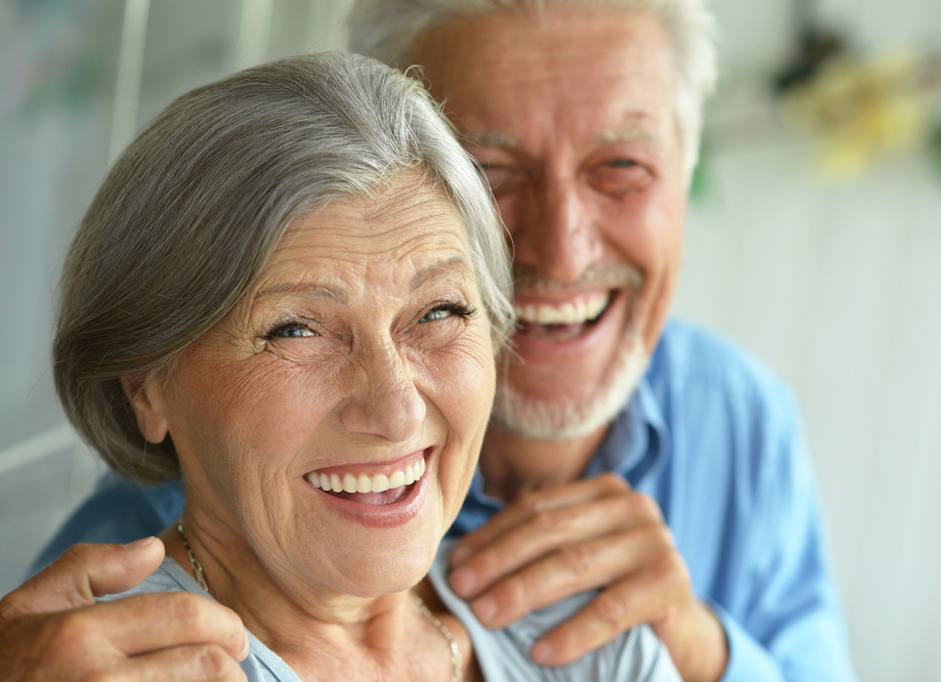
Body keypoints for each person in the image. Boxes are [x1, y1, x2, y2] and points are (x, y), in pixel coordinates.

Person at [8, 0, 859, 680]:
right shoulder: (156, 545)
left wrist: (701, 650)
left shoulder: (735, 414)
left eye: (621, 169)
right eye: (492, 174)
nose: (561, 252)